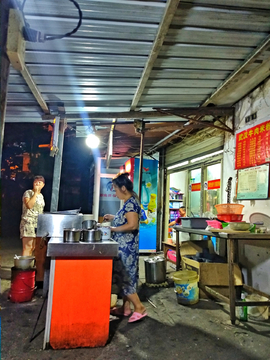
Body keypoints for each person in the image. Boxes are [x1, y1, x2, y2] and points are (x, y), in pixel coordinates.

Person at [104, 172, 147, 323]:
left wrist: (112, 229)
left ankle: (139, 307)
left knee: (125, 277)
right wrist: (113, 218)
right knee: (123, 275)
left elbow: (132, 224)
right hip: (124, 246)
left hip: (126, 248)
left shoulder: (130, 203)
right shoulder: (129, 202)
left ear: (123, 188)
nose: (115, 193)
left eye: (115, 189)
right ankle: (126, 308)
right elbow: (126, 219)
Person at [20, 175, 45, 256]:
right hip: (28, 223)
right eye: (35, 182)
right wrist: (35, 193)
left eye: (39, 182)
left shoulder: (41, 196)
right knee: (27, 247)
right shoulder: (28, 193)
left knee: (33, 247)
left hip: (37, 224)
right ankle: (24, 267)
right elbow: (29, 205)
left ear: (43, 185)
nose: (37, 184)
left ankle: (30, 265)